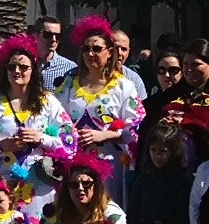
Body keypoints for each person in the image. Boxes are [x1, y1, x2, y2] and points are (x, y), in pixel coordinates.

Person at [0, 35, 77, 219]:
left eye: (23, 67)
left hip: (39, 188)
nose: (17, 71)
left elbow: (70, 141)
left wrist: (41, 138)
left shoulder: (48, 102)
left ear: (33, 70)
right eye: (11, 67)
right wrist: (0, 145)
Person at [54, 16, 144, 200]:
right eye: (85, 49)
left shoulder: (124, 86)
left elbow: (136, 126)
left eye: (96, 49)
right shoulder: (69, 85)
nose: (90, 54)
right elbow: (53, 119)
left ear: (110, 52)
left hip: (110, 167)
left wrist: (105, 135)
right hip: (75, 167)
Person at [34, 16, 75, 89]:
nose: (54, 39)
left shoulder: (70, 69)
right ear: (36, 36)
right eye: (48, 35)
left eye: (58, 36)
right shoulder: (24, 66)